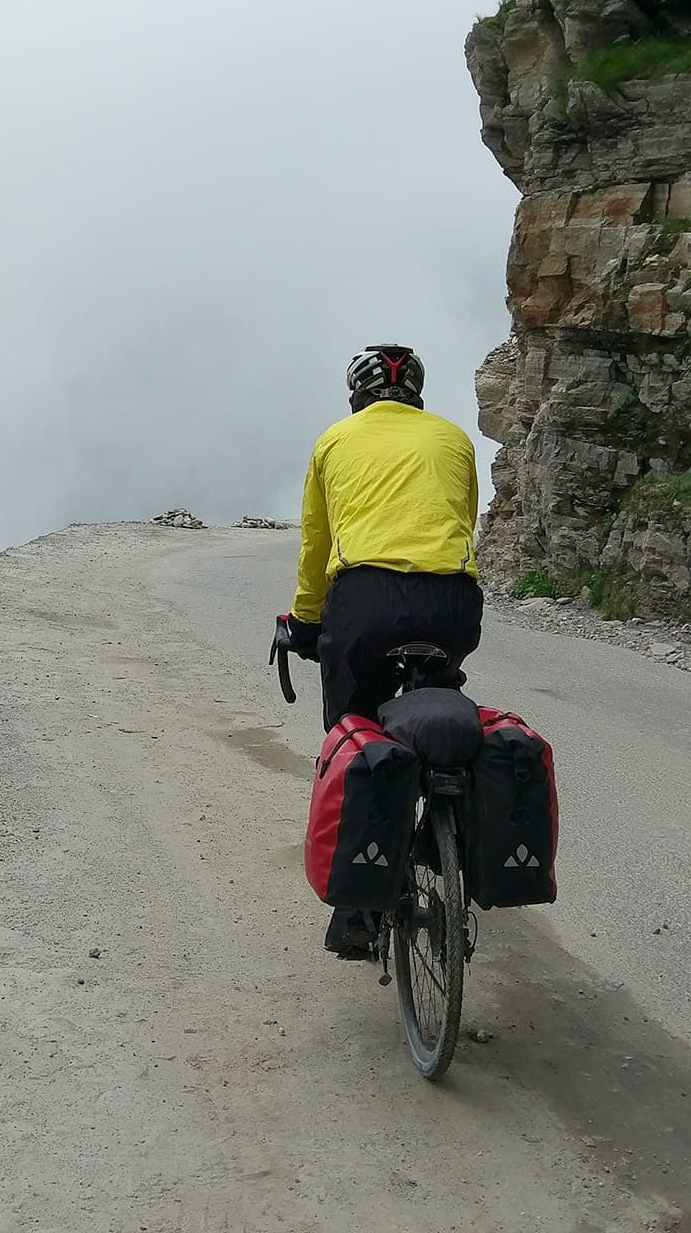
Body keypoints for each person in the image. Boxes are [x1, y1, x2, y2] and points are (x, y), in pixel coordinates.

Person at [281, 344, 484, 958]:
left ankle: (357, 913)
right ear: (417, 394)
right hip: (452, 602)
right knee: (439, 706)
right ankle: (443, 838)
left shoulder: (334, 440)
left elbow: (317, 543)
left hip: (365, 599)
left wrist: (305, 622)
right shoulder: (454, 439)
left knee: (354, 730)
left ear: (355, 396)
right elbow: (463, 521)